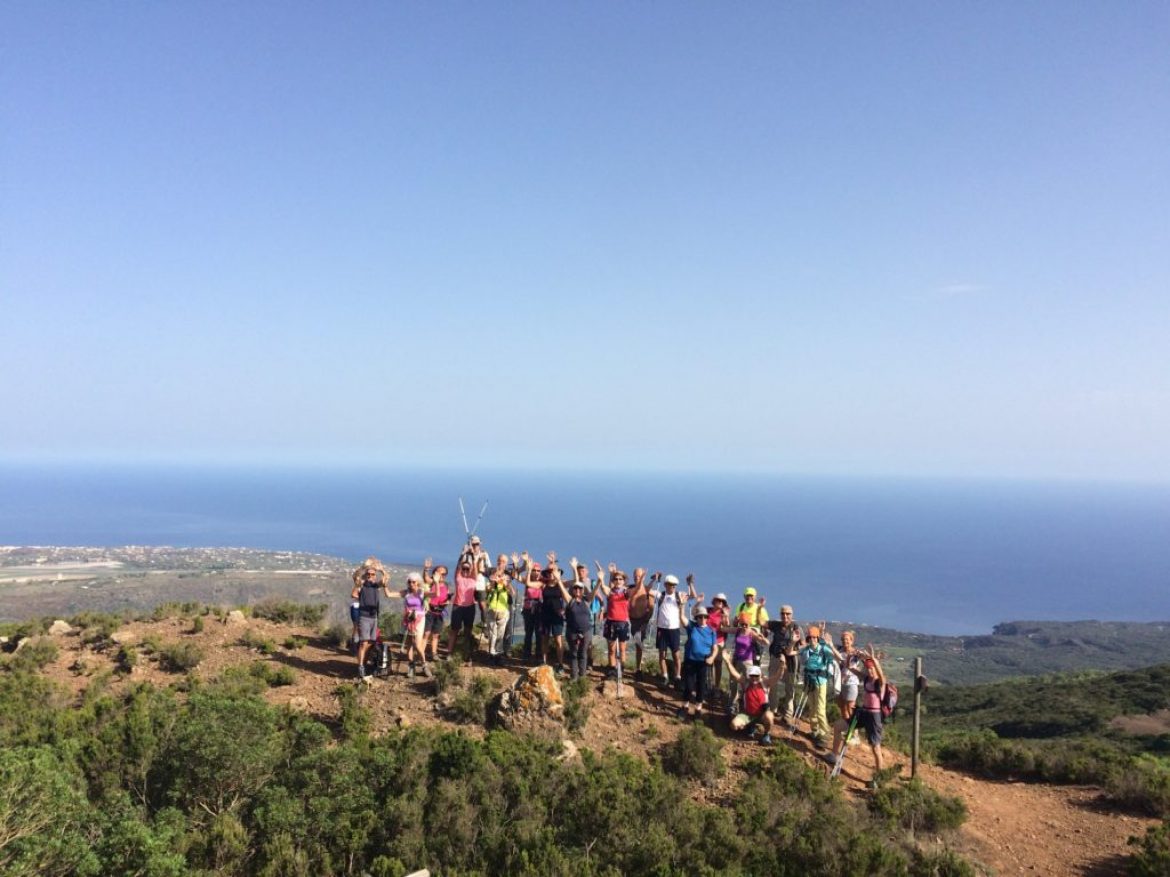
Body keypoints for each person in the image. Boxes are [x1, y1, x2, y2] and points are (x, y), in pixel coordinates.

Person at [350, 562, 393, 681]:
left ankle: (363, 664)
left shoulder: (376, 585)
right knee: (364, 643)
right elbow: (355, 578)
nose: (370, 576)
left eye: (372, 574)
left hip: (374, 617)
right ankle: (361, 667)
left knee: (371, 643)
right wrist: (363, 567)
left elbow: (386, 580)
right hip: (364, 617)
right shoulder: (362, 584)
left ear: (375, 576)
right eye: (368, 574)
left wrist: (382, 569)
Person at [721, 655, 776, 745]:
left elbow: (777, 677)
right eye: (752, 675)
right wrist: (727, 662)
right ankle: (750, 725)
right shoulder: (745, 683)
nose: (754, 678)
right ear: (749, 676)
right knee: (734, 725)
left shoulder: (765, 684)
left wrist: (782, 667)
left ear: (760, 675)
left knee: (769, 716)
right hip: (748, 715)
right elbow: (734, 674)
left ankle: (766, 735)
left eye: (756, 676)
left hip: (762, 715)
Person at [829, 629, 866, 759]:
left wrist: (865, 656)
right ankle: (847, 729)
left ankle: (854, 734)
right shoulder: (840, 650)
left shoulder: (855, 653)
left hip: (851, 683)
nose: (845, 641)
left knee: (851, 708)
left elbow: (865, 659)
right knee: (842, 707)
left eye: (848, 639)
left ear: (852, 640)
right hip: (840, 683)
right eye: (843, 639)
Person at [799, 624, 836, 749]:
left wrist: (828, 674)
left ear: (818, 638)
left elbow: (832, 659)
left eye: (815, 637)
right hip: (809, 680)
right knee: (812, 707)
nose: (812, 640)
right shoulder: (805, 650)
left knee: (820, 709)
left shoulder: (823, 649)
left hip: (821, 681)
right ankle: (815, 731)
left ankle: (825, 734)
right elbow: (802, 661)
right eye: (810, 638)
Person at [678, 603, 717, 721]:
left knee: (701, 687)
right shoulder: (692, 627)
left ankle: (698, 709)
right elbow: (682, 618)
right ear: (696, 618)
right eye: (700, 617)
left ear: (707, 618)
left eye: (704, 617)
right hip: (690, 660)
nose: (702, 619)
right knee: (689, 686)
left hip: (703, 662)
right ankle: (685, 707)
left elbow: (715, 648)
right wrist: (682, 605)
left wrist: (712, 658)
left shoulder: (711, 631)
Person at [765, 605, 803, 721]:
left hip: (791, 661)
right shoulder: (776, 625)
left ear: (792, 615)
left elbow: (804, 644)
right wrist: (760, 607)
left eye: (788, 614)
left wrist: (794, 651)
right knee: (773, 684)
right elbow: (762, 622)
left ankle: (788, 714)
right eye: (783, 614)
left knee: (789, 687)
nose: (785, 616)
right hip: (776, 658)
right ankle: (773, 710)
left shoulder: (796, 628)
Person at [595, 563, 631, 683]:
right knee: (611, 649)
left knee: (622, 649)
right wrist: (601, 577)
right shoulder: (610, 592)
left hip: (622, 623)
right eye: (616, 579)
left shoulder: (626, 592)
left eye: (620, 579)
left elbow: (631, 594)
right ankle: (612, 670)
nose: (618, 580)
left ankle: (622, 669)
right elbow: (603, 587)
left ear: (624, 580)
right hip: (610, 622)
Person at [856, 648, 887, 784]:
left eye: (872, 668)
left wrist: (874, 660)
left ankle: (879, 778)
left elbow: (882, 676)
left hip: (874, 715)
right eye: (869, 668)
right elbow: (852, 670)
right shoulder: (867, 679)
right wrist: (853, 659)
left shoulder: (879, 683)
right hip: (865, 712)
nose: (870, 670)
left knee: (875, 747)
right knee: (845, 725)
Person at [728, 613, 769, 712]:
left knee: (748, 684)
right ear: (740, 623)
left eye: (746, 624)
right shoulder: (737, 631)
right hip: (737, 660)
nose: (744, 626)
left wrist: (762, 638)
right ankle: (733, 703)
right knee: (733, 682)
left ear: (749, 624)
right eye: (742, 624)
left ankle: (747, 703)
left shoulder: (751, 633)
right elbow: (724, 629)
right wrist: (724, 618)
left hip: (748, 662)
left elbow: (766, 643)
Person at [448, 558, 483, 661]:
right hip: (457, 607)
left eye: (468, 569)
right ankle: (449, 653)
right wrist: (463, 556)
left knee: (468, 632)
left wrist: (475, 560)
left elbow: (475, 569)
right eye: (464, 568)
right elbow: (458, 567)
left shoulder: (473, 579)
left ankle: (467, 654)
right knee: (454, 630)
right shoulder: (458, 578)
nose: (465, 571)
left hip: (470, 608)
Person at [654, 574, 686, 686]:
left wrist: (690, 584)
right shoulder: (660, 595)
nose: (672, 587)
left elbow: (693, 595)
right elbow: (647, 590)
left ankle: (678, 677)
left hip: (674, 629)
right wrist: (654, 580)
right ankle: (665, 676)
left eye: (674, 585)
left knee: (676, 654)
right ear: (665, 585)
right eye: (670, 585)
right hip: (662, 629)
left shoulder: (679, 595)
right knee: (662, 654)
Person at [560, 574, 593, 681]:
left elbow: (595, 592)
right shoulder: (570, 600)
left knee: (583, 653)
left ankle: (582, 676)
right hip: (572, 631)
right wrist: (558, 579)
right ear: (572, 590)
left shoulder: (587, 601)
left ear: (583, 590)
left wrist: (599, 581)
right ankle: (574, 676)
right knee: (573, 653)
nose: (577, 590)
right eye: (575, 588)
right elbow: (562, 590)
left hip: (586, 631)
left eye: (580, 588)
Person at [397, 572, 430, 678]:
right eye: (409, 582)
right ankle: (411, 667)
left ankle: (424, 665)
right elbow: (389, 594)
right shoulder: (406, 593)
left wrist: (437, 582)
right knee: (409, 644)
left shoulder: (422, 592)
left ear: (418, 583)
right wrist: (384, 585)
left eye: (413, 582)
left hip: (419, 619)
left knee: (417, 644)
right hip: (408, 618)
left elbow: (436, 594)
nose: (411, 584)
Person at [627, 568, 657, 679]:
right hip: (631, 620)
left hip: (642, 621)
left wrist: (646, 621)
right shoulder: (630, 589)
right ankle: (622, 666)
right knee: (631, 643)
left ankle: (638, 669)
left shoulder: (646, 590)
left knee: (639, 644)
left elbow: (651, 605)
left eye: (639, 576)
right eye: (635, 576)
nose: (636, 578)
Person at [483, 567, 514, 666]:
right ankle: (492, 655)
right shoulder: (490, 583)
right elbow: (488, 589)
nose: (499, 577)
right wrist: (493, 582)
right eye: (497, 575)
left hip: (503, 612)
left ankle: (499, 655)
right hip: (492, 610)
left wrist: (506, 584)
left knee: (501, 634)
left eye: (501, 575)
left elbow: (512, 593)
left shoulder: (506, 585)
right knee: (493, 634)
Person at [540, 561, 567, 671]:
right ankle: (544, 662)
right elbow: (527, 583)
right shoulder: (543, 584)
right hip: (545, 614)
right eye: (549, 571)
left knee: (558, 640)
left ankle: (560, 664)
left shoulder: (561, 584)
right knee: (544, 639)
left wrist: (564, 610)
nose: (551, 573)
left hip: (557, 616)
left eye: (553, 571)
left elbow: (575, 581)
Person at [516, 553, 543, 661]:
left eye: (538, 570)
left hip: (539, 610)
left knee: (538, 633)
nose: (536, 572)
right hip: (528, 610)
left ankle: (538, 656)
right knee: (528, 633)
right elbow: (515, 575)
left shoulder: (542, 582)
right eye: (534, 570)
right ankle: (526, 655)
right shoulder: (527, 580)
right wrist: (524, 564)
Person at [422, 558, 449, 662]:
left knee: (436, 635)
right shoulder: (432, 582)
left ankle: (434, 653)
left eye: (444, 574)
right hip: (429, 611)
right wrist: (426, 569)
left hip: (440, 612)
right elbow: (425, 579)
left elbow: (446, 597)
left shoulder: (446, 585)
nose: (442, 575)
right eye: (439, 573)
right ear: (435, 573)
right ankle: (421, 653)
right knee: (426, 634)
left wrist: (446, 602)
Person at [707, 593, 731, 700]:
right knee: (709, 664)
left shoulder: (724, 613)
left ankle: (716, 688)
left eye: (722, 601)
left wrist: (725, 615)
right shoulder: (708, 611)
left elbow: (727, 625)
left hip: (719, 642)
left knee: (718, 665)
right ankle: (708, 686)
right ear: (714, 601)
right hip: (708, 641)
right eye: (718, 600)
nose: (720, 603)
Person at [736, 587, 769, 665]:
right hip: (743, 636)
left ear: (755, 596)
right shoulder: (741, 607)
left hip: (755, 637)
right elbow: (735, 623)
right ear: (744, 596)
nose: (749, 597)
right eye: (747, 595)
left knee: (756, 662)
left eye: (751, 595)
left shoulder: (761, 608)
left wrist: (759, 609)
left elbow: (764, 624)